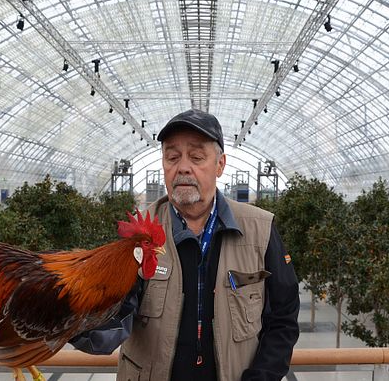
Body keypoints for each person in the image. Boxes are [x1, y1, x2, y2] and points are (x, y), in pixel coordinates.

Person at [71, 109, 300, 381]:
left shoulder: (260, 230)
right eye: (172, 156)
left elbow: (283, 317)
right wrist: (70, 323)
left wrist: (262, 376)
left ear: (220, 165)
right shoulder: (141, 234)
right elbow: (115, 324)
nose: (182, 167)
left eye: (197, 157)